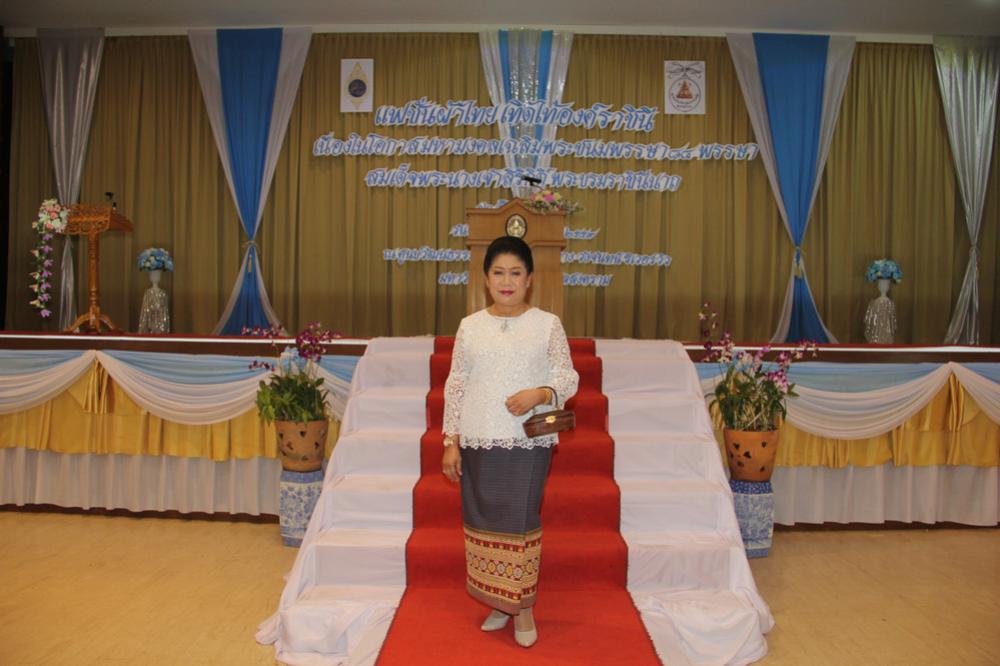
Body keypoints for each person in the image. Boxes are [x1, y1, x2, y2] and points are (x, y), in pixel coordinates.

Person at [441, 236, 579, 648]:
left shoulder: (547, 324)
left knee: (521, 522)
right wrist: (451, 440)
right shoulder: (470, 327)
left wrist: (541, 393)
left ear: (529, 279)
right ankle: (500, 602)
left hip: (527, 443)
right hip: (478, 440)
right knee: (483, 521)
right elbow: (456, 383)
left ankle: (524, 607)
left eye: (515, 273)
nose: (506, 281)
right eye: (498, 273)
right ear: (485, 278)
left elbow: (568, 377)